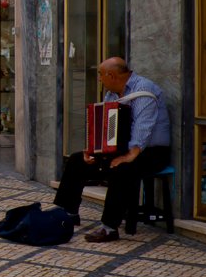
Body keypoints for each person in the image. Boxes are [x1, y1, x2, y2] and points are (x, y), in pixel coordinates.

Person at [53, 57, 171, 242]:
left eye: (100, 75)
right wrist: (92, 150)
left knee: (121, 169)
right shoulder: (112, 94)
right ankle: (68, 213)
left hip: (151, 152)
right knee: (77, 161)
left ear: (111, 75)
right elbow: (103, 125)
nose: (99, 79)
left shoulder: (144, 91)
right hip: (122, 149)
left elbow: (143, 127)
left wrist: (130, 155)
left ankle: (109, 228)